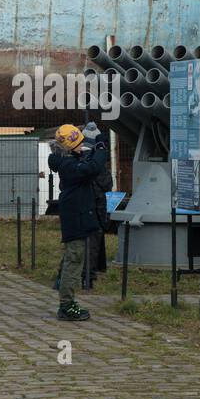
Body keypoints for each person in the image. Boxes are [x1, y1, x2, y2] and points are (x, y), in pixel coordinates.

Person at [48, 123, 108, 321]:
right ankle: (66, 305)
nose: (82, 147)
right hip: (76, 217)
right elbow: (92, 168)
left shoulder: (67, 161)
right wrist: (100, 149)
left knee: (72, 259)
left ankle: (67, 300)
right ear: (70, 146)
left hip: (79, 215)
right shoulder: (69, 166)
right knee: (74, 261)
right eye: (79, 144)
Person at [83, 121, 112, 286]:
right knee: (94, 241)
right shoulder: (97, 161)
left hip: (81, 206)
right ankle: (89, 275)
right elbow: (107, 183)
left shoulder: (78, 156)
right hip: (96, 204)